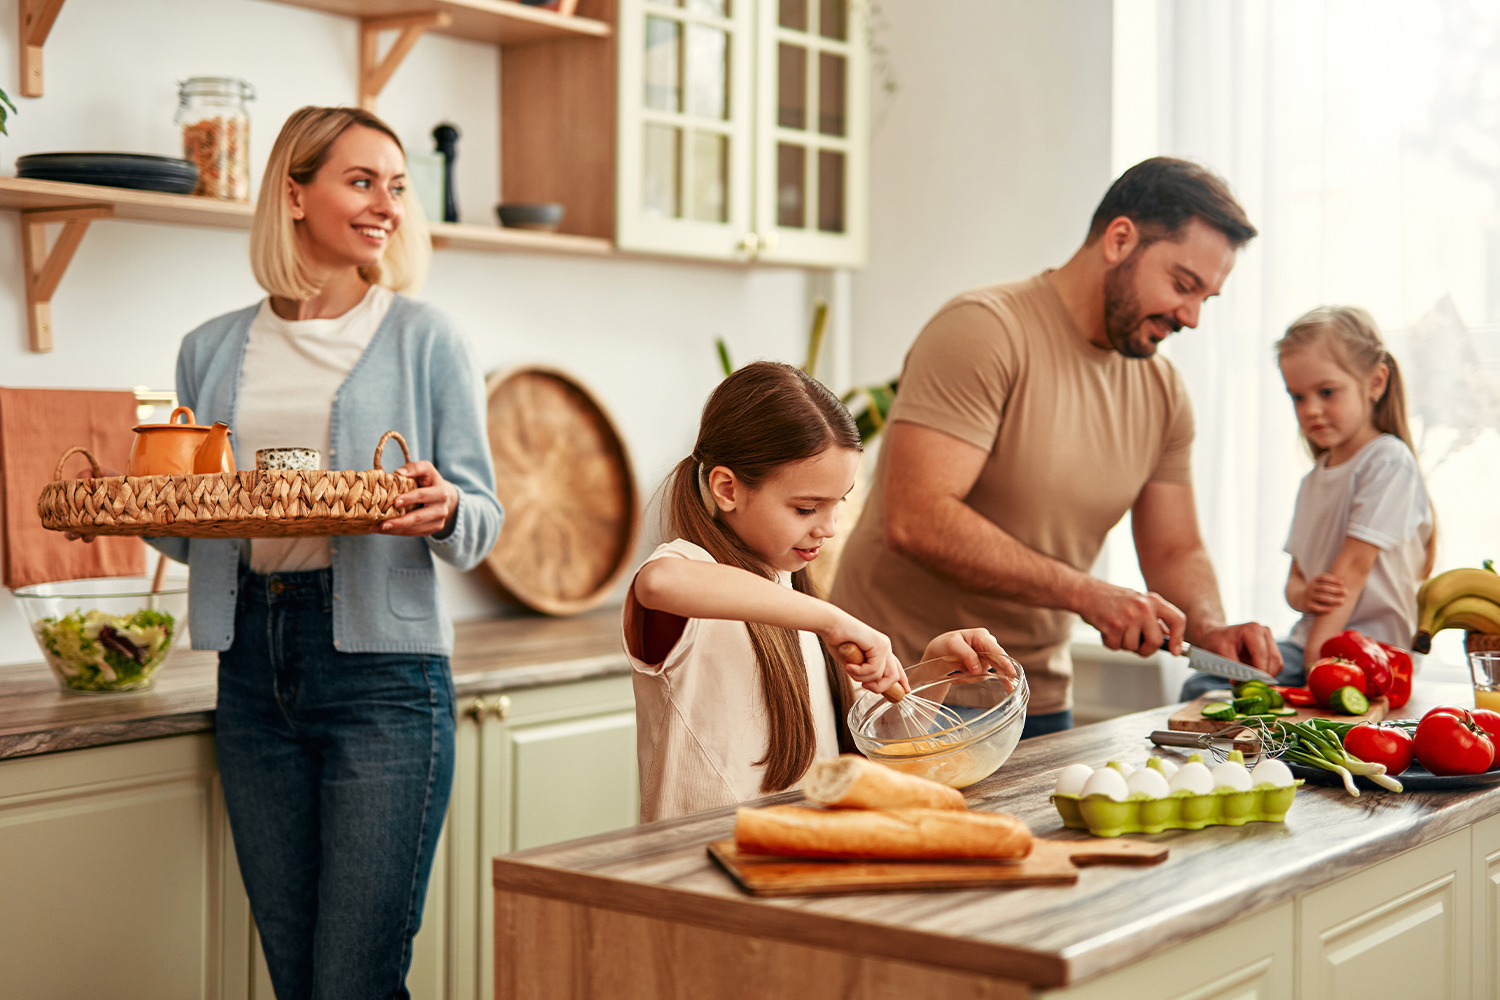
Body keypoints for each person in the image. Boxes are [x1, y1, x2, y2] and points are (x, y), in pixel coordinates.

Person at [145, 107, 503, 1000]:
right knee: (298, 976)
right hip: (251, 672)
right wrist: (147, 503)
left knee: (353, 980)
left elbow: (484, 514)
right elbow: (207, 530)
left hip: (384, 679)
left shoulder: (427, 338)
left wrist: (444, 506)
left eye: (397, 186)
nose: (386, 203)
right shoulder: (211, 348)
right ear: (294, 193)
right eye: (362, 180)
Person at [830, 157, 1283, 738]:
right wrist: (1087, 593)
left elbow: (1174, 549)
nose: (1191, 317)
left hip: (1034, 700)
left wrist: (1210, 628)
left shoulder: (1163, 392)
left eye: (1206, 299)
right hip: (903, 689)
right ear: (1120, 239)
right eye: (1182, 285)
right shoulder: (984, 330)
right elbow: (917, 518)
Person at [622, 361, 1010, 821]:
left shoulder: (794, 596)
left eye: (838, 502)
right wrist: (831, 620)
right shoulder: (693, 575)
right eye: (807, 508)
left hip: (793, 867)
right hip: (695, 871)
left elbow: (875, 746)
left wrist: (934, 671)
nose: (828, 528)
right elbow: (658, 582)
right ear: (727, 488)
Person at [1182, 306, 1433, 697]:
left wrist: (1319, 667)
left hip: (1371, 653)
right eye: (1297, 396)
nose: (1310, 409)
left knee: (1215, 692)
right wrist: (1305, 594)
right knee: (1205, 684)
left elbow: (1352, 572)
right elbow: (1295, 581)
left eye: (1327, 392)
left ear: (1376, 382)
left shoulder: (1387, 461)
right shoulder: (1313, 479)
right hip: (1309, 643)